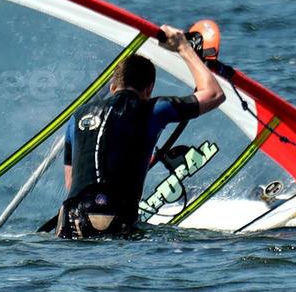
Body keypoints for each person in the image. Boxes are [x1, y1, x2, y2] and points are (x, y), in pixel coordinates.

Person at [58, 25, 226, 239]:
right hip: (118, 216)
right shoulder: (154, 109)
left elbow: (71, 183)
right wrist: (184, 48)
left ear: (112, 86)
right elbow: (214, 94)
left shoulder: (77, 117)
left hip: (72, 216)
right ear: (149, 89)